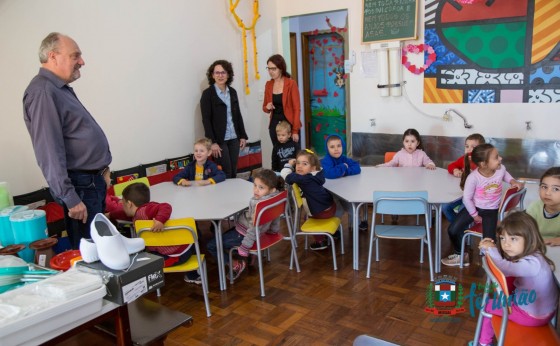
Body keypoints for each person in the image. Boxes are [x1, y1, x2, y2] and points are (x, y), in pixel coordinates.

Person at [23, 32, 111, 249]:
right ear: (53, 56)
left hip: (90, 182)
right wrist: (70, 198)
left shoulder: (56, 89)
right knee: (90, 253)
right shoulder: (43, 92)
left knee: (100, 249)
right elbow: (49, 152)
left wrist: (102, 170)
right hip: (80, 187)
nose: (82, 62)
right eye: (75, 56)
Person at [476, 212, 558, 346]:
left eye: (513, 239)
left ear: (529, 238)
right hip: (545, 310)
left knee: (488, 305)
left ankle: (484, 343)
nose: (506, 244)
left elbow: (504, 267)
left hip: (533, 316)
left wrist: (490, 250)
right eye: (502, 238)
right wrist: (490, 250)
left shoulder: (531, 264)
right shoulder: (535, 255)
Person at [442, 143, 524, 267]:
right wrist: (474, 215)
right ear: (483, 164)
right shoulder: (473, 178)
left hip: (491, 211)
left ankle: (494, 265)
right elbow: (467, 199)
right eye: (496, 157)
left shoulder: (500, 169)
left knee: (489, 242)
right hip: (475, 208)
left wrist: (512, 181)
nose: (500, 159)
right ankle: (461, 254)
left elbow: (505, 174)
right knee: (452, 230)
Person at [206, 169, 284, 281]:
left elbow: (253, 228)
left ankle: (235, 264)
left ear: (272, 190)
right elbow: (275, 217)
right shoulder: (275, 198)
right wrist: (273, 230)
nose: (256, 190)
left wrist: (245, 247)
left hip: (244, 234)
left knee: (211, 245)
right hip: (258, 233)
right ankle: (252, 255)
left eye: (261, 188)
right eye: (255, 185)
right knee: (225, 234)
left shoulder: (258, 204)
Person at [122, 182, 200, 284]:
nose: (122, 207)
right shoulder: (140, 212)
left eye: (122, 204)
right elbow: (120, 212)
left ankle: (191, 275)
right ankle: (192, 274)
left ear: (129, 204)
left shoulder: (146, 210)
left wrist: (160, 220)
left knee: (142, 262)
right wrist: (110, 214)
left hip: (175, 255)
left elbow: (165, 206)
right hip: (184, 248)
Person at [281, 149, 337, 250]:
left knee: (307, 218)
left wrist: (289, 165)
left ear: (312, 168)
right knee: (309, 213)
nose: (299, 166)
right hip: (331, 207)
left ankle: (320, 242)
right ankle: (331, 232)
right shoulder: (317, 175)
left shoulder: (303, 179)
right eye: (297, 163)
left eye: (304, 164)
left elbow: (285, 175)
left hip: (322, 213)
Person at [201, 60, 248, 178]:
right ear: (212, 75)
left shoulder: (232, 92)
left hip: (234, 139)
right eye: (217, 73)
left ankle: (232, 196)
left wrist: (242, 135)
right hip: (219, 141)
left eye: (223, 72)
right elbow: (206, 120)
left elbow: (238, 116)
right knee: (225, 173)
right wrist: (212, 142)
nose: (220, 76)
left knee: (233, 172)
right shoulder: (207, 94)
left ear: (228, 75)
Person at [320, 134, 366, 230]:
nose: (336, 149)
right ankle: (334, 230)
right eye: (332, 147)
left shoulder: (344, 158)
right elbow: (330, 174)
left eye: (339, 146)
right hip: (332, 193)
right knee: (338, 210)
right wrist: (344, 167)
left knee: (354, 205)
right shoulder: (326, 160)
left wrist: (344, 172)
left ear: (342, 147)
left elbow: (357, 168)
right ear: (327, 149)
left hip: (345, 190)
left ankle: (355, 224)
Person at [262, 54, 302, 160]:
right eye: (268, 68)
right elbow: (265, 108)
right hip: (275, 126)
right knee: (279, 156)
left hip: (289, 125)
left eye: (273, 69)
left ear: (281, 68)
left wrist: (295, 131)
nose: (270, 71)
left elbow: (296, 108)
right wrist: (268, 106)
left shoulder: (291, 83)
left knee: (293, 157)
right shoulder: (268, 85)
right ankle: (279, 176)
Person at [443, 134, 486, 223]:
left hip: (475, 198)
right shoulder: (464, 159)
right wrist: (455, 170)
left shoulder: (484, 163)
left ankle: (459, 230)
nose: (469, 149)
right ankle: (459, 231)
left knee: (461, 212)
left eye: (473, 147)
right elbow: (452, 165)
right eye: (467, 146)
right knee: (444, 207)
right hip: (463, 195)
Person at [526, 167, 560, 245]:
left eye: (556, 189)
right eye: (544, 187)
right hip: (537, 246)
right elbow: (524, 232)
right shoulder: (534, 208)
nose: (547, 193)